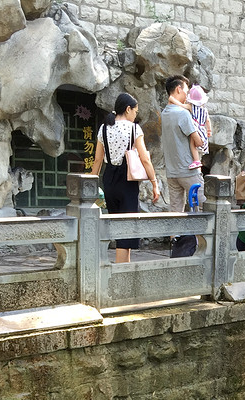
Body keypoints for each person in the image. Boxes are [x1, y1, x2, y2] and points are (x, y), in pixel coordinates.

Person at [90, 92, 160, 264]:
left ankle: (119, 268)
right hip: (127, 180)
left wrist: (90, 184)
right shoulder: (134, 128)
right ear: (128, 109)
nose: (135, 115)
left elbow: (98, 159)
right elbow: (144, 158)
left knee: (115, 224)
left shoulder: (104, 128)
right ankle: (122, 272)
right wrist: (154, 182)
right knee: (126, 229)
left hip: (109, 179)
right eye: (135, 111)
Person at [160, 75, 205, 256]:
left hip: (172, 172)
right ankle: (202, 249)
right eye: (186, 90)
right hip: (189, 170)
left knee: (175, 211)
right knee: (204, 206)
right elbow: (198, 141)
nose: (187, 94)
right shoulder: (182, 114)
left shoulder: (165, 113)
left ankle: (177, 251)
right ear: (178, 89)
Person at [175, 84, 211, 170]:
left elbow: (181, 105)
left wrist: (172, 99)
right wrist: (209, 130)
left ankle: (196, 161)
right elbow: (208, 121)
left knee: (193, 144)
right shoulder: (204, 110)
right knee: (199, 149)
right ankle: (198, 160)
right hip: (203, 131)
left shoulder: (191, 107)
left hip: (195, 130)